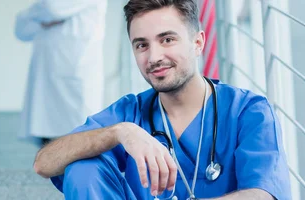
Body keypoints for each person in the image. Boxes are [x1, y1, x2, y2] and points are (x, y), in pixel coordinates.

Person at [33, 0, 291, 199]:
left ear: (198, 42)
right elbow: (44, 163)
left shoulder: (248, 111)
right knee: (83, 169)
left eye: (167, 39)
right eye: (141, 45)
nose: (154, 56)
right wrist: (121, 132)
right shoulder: (131, 113)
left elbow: (262, 194)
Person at [14, 0, 108, 146]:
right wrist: (41, 13)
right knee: (48, 151)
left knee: (78, 146)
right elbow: (20, 28)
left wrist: (38, 13)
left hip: (75, 83)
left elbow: (53, 8)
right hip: (44, 85)